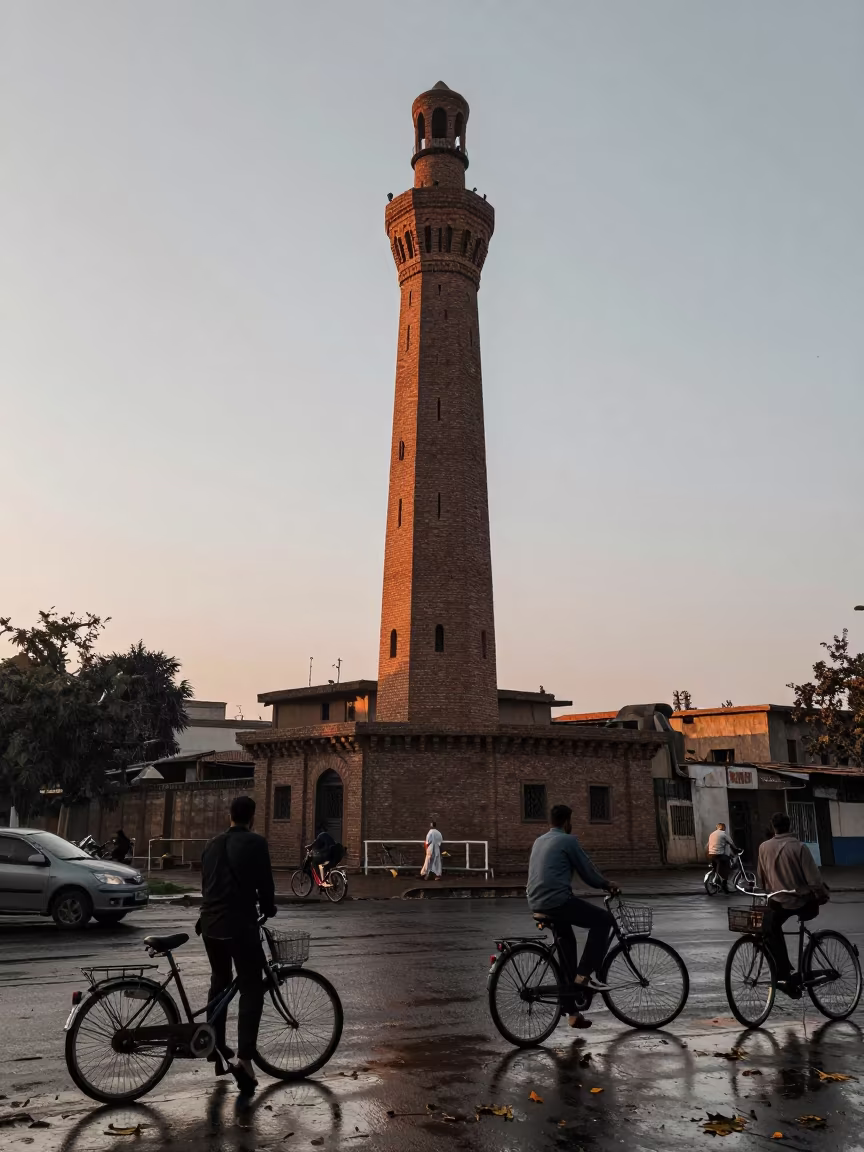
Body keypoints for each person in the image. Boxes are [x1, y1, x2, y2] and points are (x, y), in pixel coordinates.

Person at [199, 795, 277, 1096]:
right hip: (238, 926)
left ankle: (214, 1043)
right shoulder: (256, 843)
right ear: (252, 817)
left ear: (229, 816)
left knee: (219, 980)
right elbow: (265, 885)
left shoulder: (211, 844)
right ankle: (244, 1059)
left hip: (209, 925)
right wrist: (268, 908)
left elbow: (206, 885)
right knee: (251, 988)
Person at [526, 804, 619, 1029]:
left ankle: (573, 1013)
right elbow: (587, 871)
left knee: (567, 949)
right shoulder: (568, 841)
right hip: (557, 901)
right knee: (604, 920)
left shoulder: (539, 840)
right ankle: (584, 975)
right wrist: (606, 884)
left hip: (536, 901)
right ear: (567, 821)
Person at [757, 810, 829, 996]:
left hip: (777, 900)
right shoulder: (799, 847)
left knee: (771, 926)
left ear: (773, 827)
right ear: (789, 826)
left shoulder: (763, 847)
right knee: (772, 925)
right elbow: (814, 881)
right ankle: (785, 972)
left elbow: (761, 881)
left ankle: (783, 969)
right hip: (800, 901)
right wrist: (822, 895)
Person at [707, 822, 738, 893]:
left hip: (711, 855)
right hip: (720, 855)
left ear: (717, 828)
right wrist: (736, 849)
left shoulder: (712, 834)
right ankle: (725, 884)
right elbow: (731, 843)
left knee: (718, 868)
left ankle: (719, 881)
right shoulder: (723, 834)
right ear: (723, 827)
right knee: (727, 867)